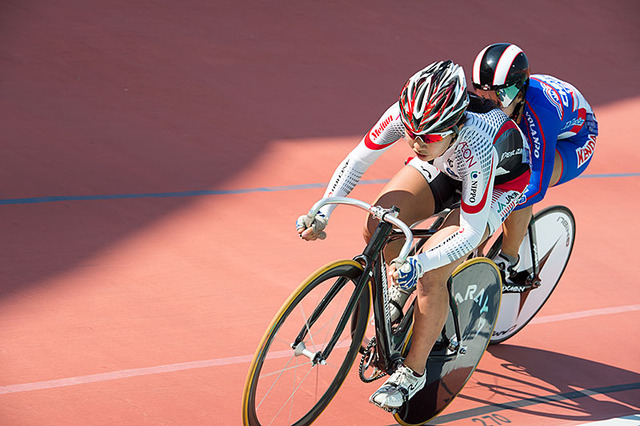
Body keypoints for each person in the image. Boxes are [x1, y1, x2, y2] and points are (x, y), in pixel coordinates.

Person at [296, 60, 531, 411]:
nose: (416, 142)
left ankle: (413, 372)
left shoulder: (476, 142)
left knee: (432, 276)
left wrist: (422, 263)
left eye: (429, 136)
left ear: (454, 127)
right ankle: (398, 287)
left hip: (496, 182)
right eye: (411, 134)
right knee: (377, 224)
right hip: (444, 163)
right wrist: (322, 212)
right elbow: (357, 160)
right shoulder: (412, 121)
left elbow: (468, 232)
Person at [472, 43, 598, 277]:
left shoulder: (541, 112)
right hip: (531, 120)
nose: (491, 104)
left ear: (520, 92)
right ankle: (473, 255)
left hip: (574, 141)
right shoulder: (508, 100)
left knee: (522, 178)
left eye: (500, 95)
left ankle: (508, 260)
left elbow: (537, 187)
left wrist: (497, 209)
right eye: (482, 94)